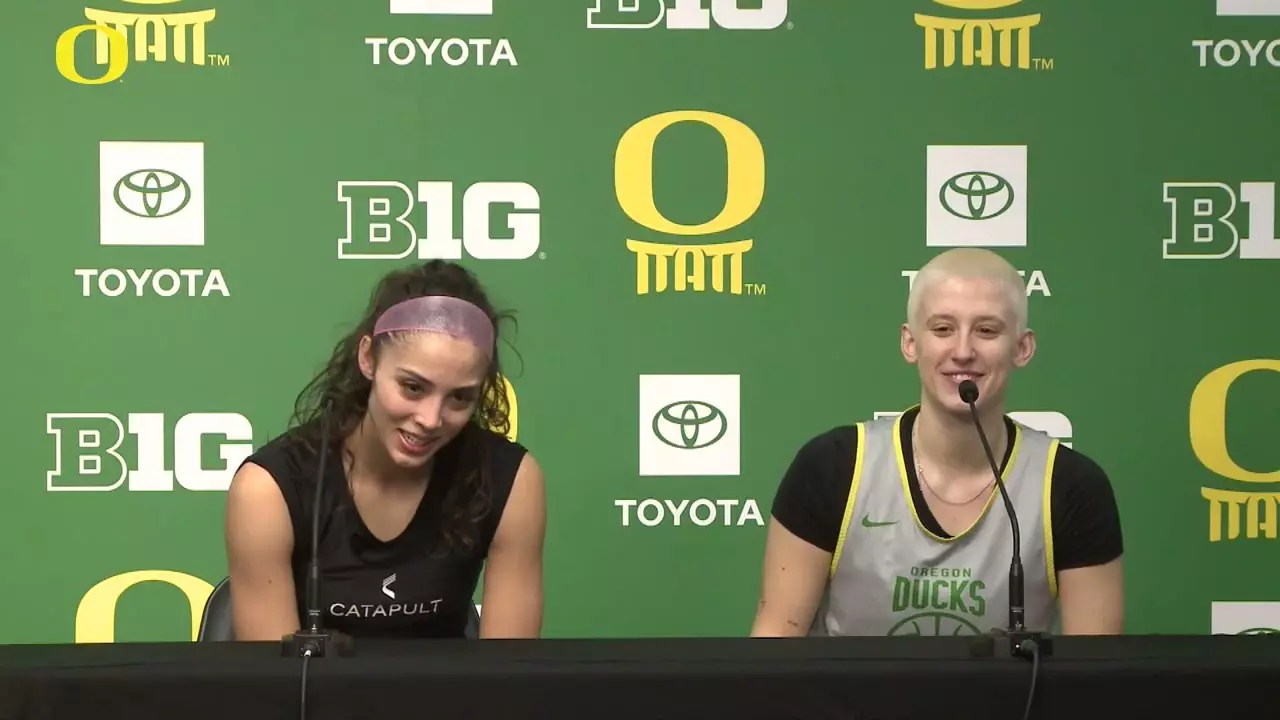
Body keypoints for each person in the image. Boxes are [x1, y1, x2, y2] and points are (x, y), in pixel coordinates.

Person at [750, 248, 1123, 638]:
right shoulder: (832, 468)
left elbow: (1094, 665)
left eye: (987, 330)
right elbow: (775, 641)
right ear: (910, 343)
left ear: (1022, 348)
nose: (963, 352)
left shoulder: (1072, 486)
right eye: (943, 329)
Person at [224, 260, 545, 640]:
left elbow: (507, 669)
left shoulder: (509, 480)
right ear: (368, 358)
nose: (431, 419)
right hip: (311, 684)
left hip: (452, 684)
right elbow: (274, 676)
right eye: (413, 387)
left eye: (460, 398)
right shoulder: (269, 489)